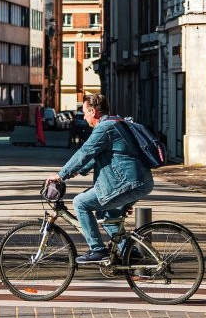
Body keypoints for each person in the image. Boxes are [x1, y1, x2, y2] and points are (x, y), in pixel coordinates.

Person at [45, 94, 154, 264]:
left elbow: (85, 152)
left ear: (93, 111)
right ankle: (129, 253)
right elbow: (98, 156)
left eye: (85, 113)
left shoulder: (105, 128)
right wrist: (76, 171)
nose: (84, 117)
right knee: (106, 215)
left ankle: (97, 250)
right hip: (137, 181)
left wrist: (61, 175)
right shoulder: (115, 122)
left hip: (128, 182)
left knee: (80, 203)